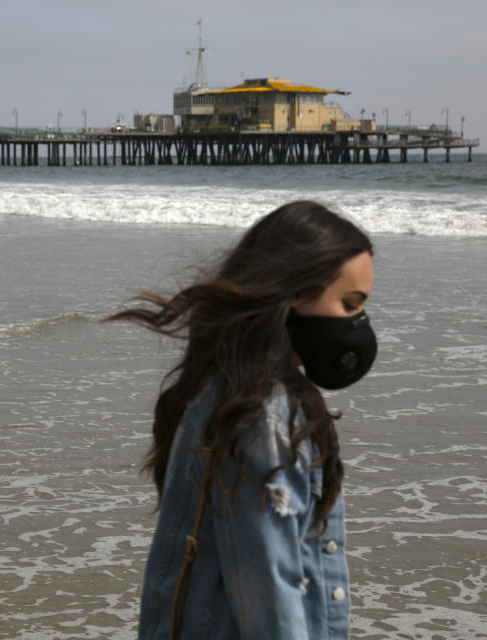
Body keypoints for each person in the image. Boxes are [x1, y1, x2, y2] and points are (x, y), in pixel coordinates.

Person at [109, 201, 377, 639]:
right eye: (349, 304)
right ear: (294, 292)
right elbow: (271, 594)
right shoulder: (262, 417)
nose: (358, 323)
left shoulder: (218, 382)